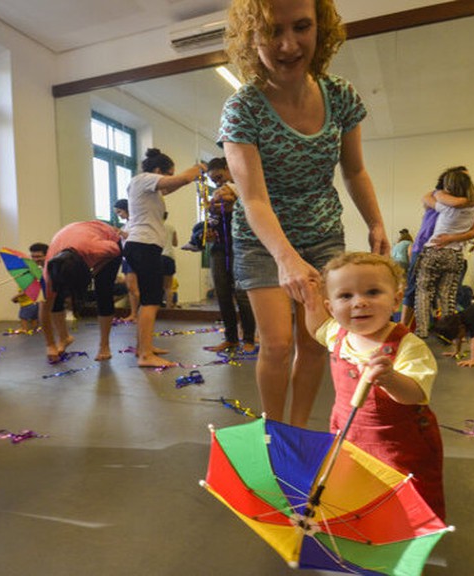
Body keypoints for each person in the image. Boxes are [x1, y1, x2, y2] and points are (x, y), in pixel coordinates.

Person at [221, 0, 389, 426]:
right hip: (263, 240)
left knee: (316, 342)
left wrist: (376, 222)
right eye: (272, 32)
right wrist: (285, 258)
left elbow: (355, 170)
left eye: (301, 27)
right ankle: (273, 430)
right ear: (251, 37)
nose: (288, 44)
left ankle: (297, 430)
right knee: (277, 344)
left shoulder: (341, 96)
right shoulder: (243, 108)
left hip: (322, 234)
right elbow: (253, 198)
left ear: (321, 29)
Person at [301, 252, 444, 519]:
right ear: (331, 307)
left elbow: (415, 394)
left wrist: (390, 379)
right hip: (348, 434)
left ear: (396, 300)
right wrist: (310, 303)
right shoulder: (338, 334)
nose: (360, 302)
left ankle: (404, 536)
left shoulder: (408, 346)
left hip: (397, 445)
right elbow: (317, 329)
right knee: (354, 488)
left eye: (373, 292)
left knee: (402, 498)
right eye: (346, 296)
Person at [124, 148, 205, 368]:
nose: (170, 179)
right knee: (151, 300)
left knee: (148, 300)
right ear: (158, 170)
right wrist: (199, 167)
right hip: (144, 244)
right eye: (169, 173)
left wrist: (185, 180)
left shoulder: (144, 185)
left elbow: (173, 186)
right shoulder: (145, 179)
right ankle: (145, 356)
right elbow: (184, 178)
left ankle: (144, 348)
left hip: (141, 244)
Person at [414, 169, 474, 338]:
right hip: (455, 254)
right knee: (448, 295)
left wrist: (439, 192)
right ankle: (447, 333)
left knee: (424, 292)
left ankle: (422, 331)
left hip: (434, 251)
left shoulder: (445, 208)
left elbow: (428, 197)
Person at [41, 221, 122, 362]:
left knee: (103, 291)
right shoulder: (51, 269)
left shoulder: (97, 249)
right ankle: (64, 338)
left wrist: (95, 271)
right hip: (72, 237)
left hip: (107, 239)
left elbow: (116, 249)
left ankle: (104, 345)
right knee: (55, 297)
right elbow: (44, 308)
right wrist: (50, 345)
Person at [202, 157, 257, 353]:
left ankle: (249, 338)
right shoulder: (216, 197)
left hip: (241, 247)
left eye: (219, 176)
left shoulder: (245, 189)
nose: (217, 182)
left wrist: (233, 203)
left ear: (229, 168)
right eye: (213, 180)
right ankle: (231, 338)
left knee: (242, 294)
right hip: (218, 249)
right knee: (223, 294)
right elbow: (213, 222)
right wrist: (207, 234)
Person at [11, 242, 48, 332]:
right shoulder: (33, 271)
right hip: (38, 302)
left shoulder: (51, 268)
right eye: (33, 257)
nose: (35, 259)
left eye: (39, 256)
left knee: (25, 316)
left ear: (47, 255)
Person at [114, 198, 140, 323]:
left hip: (133, 255)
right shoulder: (126, 224)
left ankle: (141, 313)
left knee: (133, 287)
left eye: (119, 212)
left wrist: (120, 233)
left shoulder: (136, 222)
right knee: (130, 288)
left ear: (126, 209)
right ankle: (133, 313)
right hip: (126, 257)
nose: (118, 215)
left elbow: (137, 237)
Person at [161, 212, 179, 308]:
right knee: (168, 287)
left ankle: (155, 308)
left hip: (157, 256)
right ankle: (169, 309)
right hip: (169, 257)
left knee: (155, 285)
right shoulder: (171, 227)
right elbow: (175, 243)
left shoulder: (154, 226)